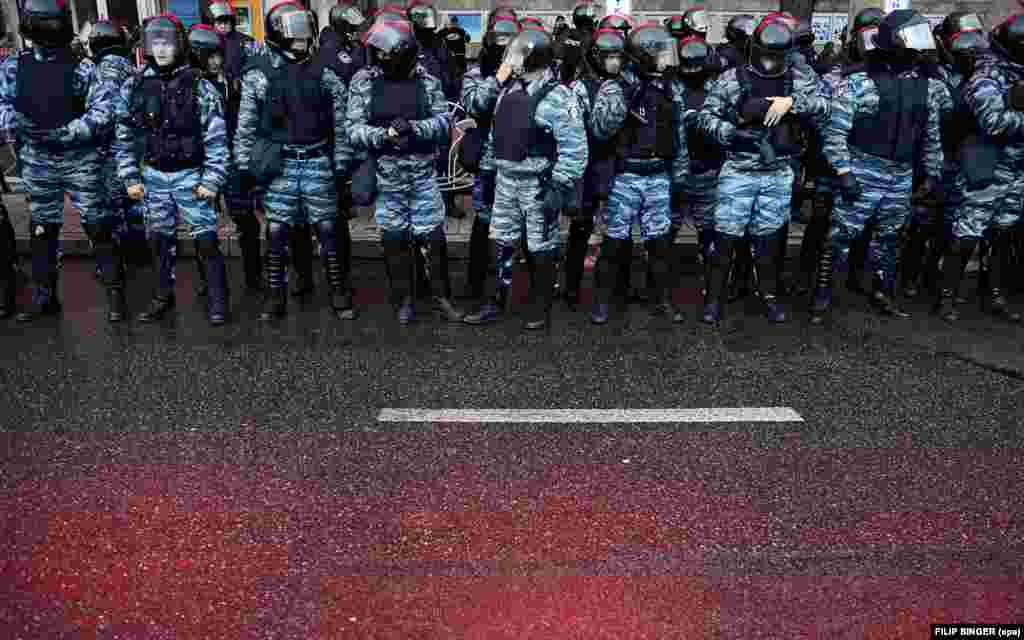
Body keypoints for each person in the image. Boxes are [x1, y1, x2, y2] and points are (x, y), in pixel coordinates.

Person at [815, 10, 946, 322]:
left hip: (900, 174)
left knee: (890, 237)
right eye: (911, 37)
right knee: (841, 235)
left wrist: (932, 172)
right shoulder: (859, 82)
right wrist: (843, 172)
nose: (918, 46)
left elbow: (930, 134)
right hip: (862, 168)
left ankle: (882, 293)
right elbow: (835, 133)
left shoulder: (927, 85)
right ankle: (822, 296)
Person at [698, 16, 828, 324]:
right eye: (766, 54)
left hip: (778, 171)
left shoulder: (799, 78)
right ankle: (713, 299)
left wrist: (792, 103)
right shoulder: (732, 78)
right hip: (740, 170)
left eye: (777, 55)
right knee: (726, 238)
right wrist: (732, 133)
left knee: (769, 239)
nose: (771, 62)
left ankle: (769, 296)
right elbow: (706, 118)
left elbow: (826, 105)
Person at [0, 0, 120, 322]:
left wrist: (68, 132)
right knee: (43, 229)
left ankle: (114, 294)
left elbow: (103, 109)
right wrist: (14, 121)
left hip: (79, 158)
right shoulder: (14, 66)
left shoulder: (81, 66)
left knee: (97, 224)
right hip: (37, 159)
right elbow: (2, 103)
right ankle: (45, 296)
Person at [235, 2, 355, 321]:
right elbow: (245, 124)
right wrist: (244, 166)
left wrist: (341, 162)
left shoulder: (324, 71)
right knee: (276, 231)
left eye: (304, 28)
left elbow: (341, 123)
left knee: (328, 228)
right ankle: (276, 297)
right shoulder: (259, 74)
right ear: (277, 31)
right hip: (280, 163)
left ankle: (339, 293)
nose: (300, 36)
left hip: (317, 159)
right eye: (293, 29)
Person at [462, 28, 587, 329]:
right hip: (506, 180)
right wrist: (489, 172)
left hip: (538, 184)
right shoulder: (509, 90)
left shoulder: (559, 96)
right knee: (501, 241)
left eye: (519, 54)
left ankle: (539, 307)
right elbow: (496, 135)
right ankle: (495, 302)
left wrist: (559, 186)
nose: (512, 59)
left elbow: (575, 147)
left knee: (540, 246)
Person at [115, 14, 231, 325]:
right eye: (156, 43)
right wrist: (129, 177)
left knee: (206, 240)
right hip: (153, 176)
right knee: (159, 240)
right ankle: (162, 296)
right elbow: (124, 135)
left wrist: (212, 179)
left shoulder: (199, 85)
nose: (162, 49)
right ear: (147, 46)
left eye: (167, 43)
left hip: (191, 176)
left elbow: (216, 138)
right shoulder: (136, 85)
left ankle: (218, 300)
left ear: (178, 45)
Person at [348, 19, 462, 324]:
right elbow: (353, 130)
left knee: (433, 236)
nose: (380, 58)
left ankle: (441, 297)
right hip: (387, 174)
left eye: (386, 53)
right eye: (378, 53)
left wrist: (414, 128)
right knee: (394, 238)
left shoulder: (428, 82)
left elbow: (443, 123)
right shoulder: (364, 82)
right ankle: (404, 300)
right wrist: (383, 134)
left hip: (423, 173)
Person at [588, 22, 689, 324]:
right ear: (644, 55)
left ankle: (661, 300)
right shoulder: (615, 86)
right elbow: (600, 129)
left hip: (658, 175)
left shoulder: (671, 88)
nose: (667, 59)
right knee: (614, 244)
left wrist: (680, 177)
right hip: (626, 177)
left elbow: (678, 134)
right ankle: (602, 302)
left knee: (659, 244)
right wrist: (626, 99)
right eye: (660, 53)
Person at [934, 14, 1024, 324]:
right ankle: (947, 296)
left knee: (1003, 233)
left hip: (1017, 169)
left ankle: (994, 295)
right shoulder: (987, 76)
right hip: (988, 166)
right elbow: (994, 123)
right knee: (967, 233)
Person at [460, 14, 520, 304]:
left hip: (519, 162)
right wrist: (498, 78)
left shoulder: (525, 74)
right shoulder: (475, 74)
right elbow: (475, 105)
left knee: (517, 224)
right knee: (483, 223)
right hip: (487, 162)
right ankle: (475, 283)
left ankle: (508, 285)